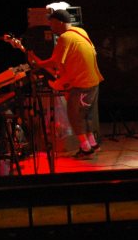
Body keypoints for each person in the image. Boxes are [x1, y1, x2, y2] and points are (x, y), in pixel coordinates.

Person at [27, 9, 103, 159]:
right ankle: (93, 144)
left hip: (81, 84)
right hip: (93, 81)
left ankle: (86, 150)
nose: (50, 26)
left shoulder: (65, 38)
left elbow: (55, 62)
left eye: (52, 23)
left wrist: (39, 63)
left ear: (60, 22)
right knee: (86, 115)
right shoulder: (80, 32)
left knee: (75, 116)